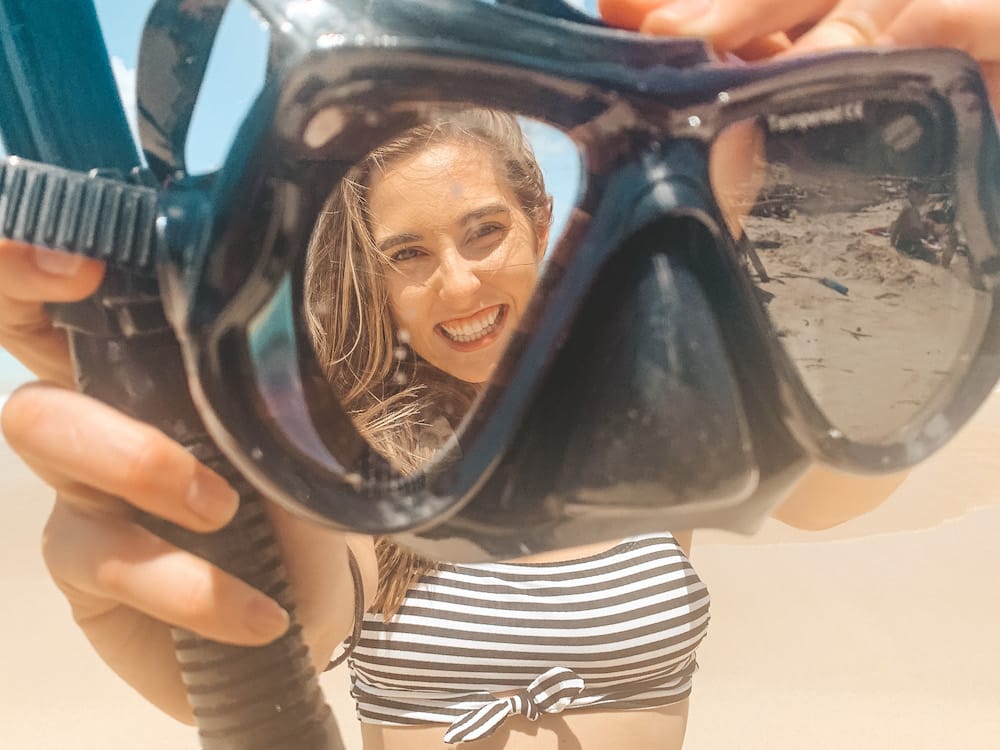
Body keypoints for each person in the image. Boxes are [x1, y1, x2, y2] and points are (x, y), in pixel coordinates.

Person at [1, 0, 997, 747]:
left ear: (547, 228)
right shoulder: (362, 467)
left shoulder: (649, 418)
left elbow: (839, 467)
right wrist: (218, 627)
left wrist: (917, 188)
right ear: (377, 285)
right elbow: (293, 618)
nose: (459, 281)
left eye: (484, 232)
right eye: (408, 255)